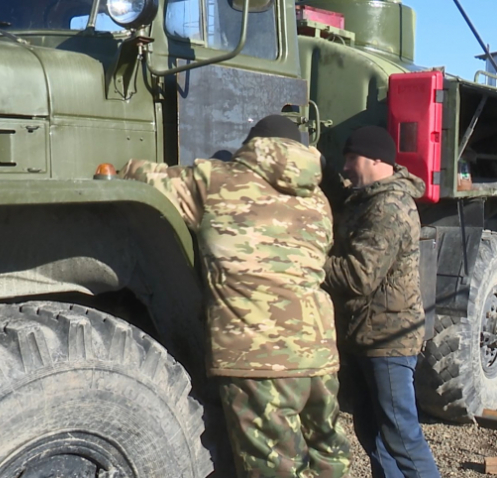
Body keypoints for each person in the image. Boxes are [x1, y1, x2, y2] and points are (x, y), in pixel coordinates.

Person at [121, 115, 351, 478]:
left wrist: (124, 166)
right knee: (329, 460)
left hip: (258, 357)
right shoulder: (318, 200)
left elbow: (144, 179)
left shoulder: (217, 180)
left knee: (274, 469)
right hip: (319, 355)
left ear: (252, 144)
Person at [324, 126, 441, 478]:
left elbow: (359, 275)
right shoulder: (368, 198)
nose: (346, 167)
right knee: (372, 433)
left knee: (401, 436)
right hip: (365, 336)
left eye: (351, 158)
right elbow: (340, 188)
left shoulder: (388, 206)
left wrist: (305, 262)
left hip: (387, 342)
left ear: (377, 160)